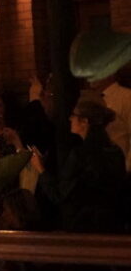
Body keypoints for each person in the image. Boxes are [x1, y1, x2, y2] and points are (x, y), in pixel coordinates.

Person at [30, 100, 125, 233]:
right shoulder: (116, 151)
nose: (70, 118)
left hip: (82, 227)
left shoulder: (80, 155)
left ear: (84, 121)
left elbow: (58, 195)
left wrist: (40, 168)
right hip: (113, 225)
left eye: (73, 115)